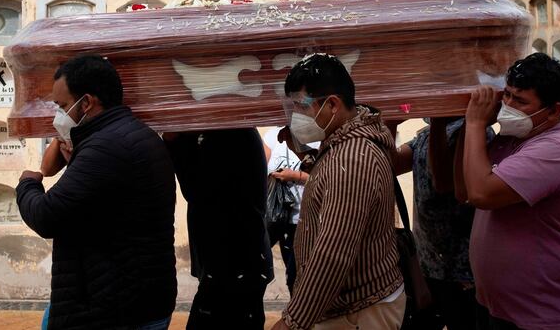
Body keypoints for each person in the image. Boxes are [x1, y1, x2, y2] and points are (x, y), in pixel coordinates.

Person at [16, 55, 177, 330]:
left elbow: (45, 216)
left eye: (63, 106)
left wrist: (28, 183)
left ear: (87, 102)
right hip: (136, 298)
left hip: (113, 309)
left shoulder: (106, 148)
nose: (59, 115)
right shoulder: (135, 135)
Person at [460, 53, 560, 330]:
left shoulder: (556, 149)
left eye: (521, 101)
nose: (508, 106)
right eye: (508, 95)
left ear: (553, 111)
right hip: (500, 310)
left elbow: (481, 194)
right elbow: (461, 187)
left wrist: (475, 124)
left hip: (548, 318)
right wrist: (463, 126)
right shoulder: (512, 138)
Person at [272, 53, 404, 330]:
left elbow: (332, 256)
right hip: (350, 307)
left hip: (358, 311)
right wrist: (309, 158)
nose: (295, 116)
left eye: (300, 107)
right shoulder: (344, 143)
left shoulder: (352, 159)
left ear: (332, 105)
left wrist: (292, 322)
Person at [388, 117, 492, 330]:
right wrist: (391, 122)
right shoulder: (426, 134)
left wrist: (437, 123)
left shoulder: (473, 132)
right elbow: (392, 164)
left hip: (462, 267)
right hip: (431, 261)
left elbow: (443, 181)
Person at [163, 128, 273, 330]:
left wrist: (175, 143)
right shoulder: (239, 131)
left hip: (234, 263)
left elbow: (197, 190)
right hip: (236, 260)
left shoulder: (228, 135)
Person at [262, 127, 317, 294]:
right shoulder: (272, 135)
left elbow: (325, 178)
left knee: (299, 277)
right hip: (276, 216)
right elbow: (259, 170)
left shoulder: (318, 136)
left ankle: (302, 314)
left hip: (303, 219)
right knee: (284, 274)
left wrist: (295, 176)